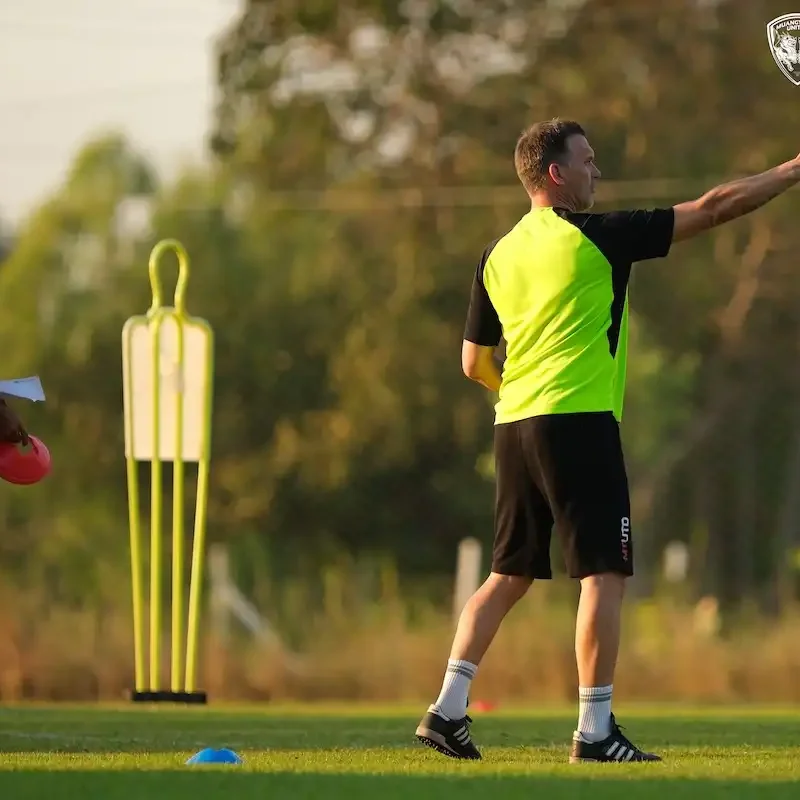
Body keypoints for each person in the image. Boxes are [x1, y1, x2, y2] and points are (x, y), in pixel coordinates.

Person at [415, 119, 800, 764]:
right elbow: (713, 208)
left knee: (506, 575)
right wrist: (791, 171)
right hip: (578, 422)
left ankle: (447, 711)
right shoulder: (596, 238)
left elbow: (472, 361)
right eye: (588, 161)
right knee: (604, 574)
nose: (598, 172)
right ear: (557, 174)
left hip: (513, 425)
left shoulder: (496, 254)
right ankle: (594, 731)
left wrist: (522, 392)